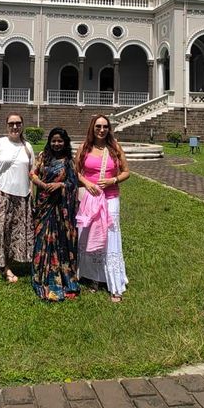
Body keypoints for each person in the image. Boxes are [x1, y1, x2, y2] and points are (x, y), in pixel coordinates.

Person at [75, 114, 130, 303]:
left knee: (110, 236)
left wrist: (113, 179)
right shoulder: (85, 147)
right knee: (90, 236)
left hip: (110, 197)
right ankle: (94, 277)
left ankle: (114, 283)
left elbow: (126, 172)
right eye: (98, 126)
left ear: (109, 128)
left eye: (105, 126)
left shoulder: (114, 147)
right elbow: (76, 172)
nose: (101, 129)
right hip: (90, 198)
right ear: (92, 128)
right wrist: (86, 183)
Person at [29, 128, 80, 302]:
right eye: (53, 141)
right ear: (49, 141)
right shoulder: (43, 156)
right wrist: (42, 184)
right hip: (44, 205)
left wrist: (60, 186)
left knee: (61, 241)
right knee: (42, 238)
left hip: (61, 209)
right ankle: (41, 276)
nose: (56, 144)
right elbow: (32, 174)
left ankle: (63, 278)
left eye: (60, 141)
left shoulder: (68, 162)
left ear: (65, 143)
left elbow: (73, 183)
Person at [0, 112, 34, 283]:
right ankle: (5, 268)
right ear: (7, 125)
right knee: (1, 230)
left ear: (22, 125)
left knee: (15, 232)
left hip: (22, 196)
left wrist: (32, 195)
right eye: (12, 123)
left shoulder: (27, 146)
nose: (15, 126)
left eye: (18, 123)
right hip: (2, 193)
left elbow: (31, 174)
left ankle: (3, 263)